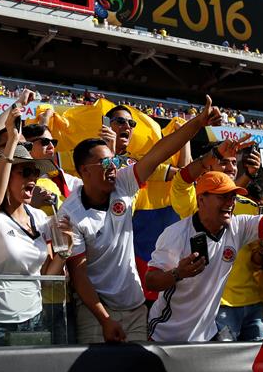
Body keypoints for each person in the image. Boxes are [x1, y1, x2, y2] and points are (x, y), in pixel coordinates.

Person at [59, 97, 221, 343]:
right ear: (83, 171)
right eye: (105, 162)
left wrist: (197, 123)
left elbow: (161, 151)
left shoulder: (123, 183)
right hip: (95, 311)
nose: (113, 167)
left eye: (114, 161)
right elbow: (79, 277)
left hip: (135, 307)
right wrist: (104, 319)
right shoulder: (70, 214)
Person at [145, 171, 263, 342]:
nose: (230, 203)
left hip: (204, 336)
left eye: (233, 197)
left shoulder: (238, 226)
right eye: (222, 196)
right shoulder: (175, 234)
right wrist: (178, 273)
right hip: (166, 334)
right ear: (201, 199)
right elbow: (151, 281)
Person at [0, 107, 71, 346]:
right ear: (6, 177)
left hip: (35, 318)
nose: (33, 178)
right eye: (25, 172)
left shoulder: (39, 217)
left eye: (35, 172)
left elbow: (46, 278)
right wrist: (12, 143)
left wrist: (64, 253)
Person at [169, 135, 263, 341]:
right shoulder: (196, 199)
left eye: (235, 162)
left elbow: (256, 262)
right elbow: (180, 182)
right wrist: (212, 155)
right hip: (217, 306)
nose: (232, 167)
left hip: (252, 303)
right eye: (224, 161)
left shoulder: (248, 206)